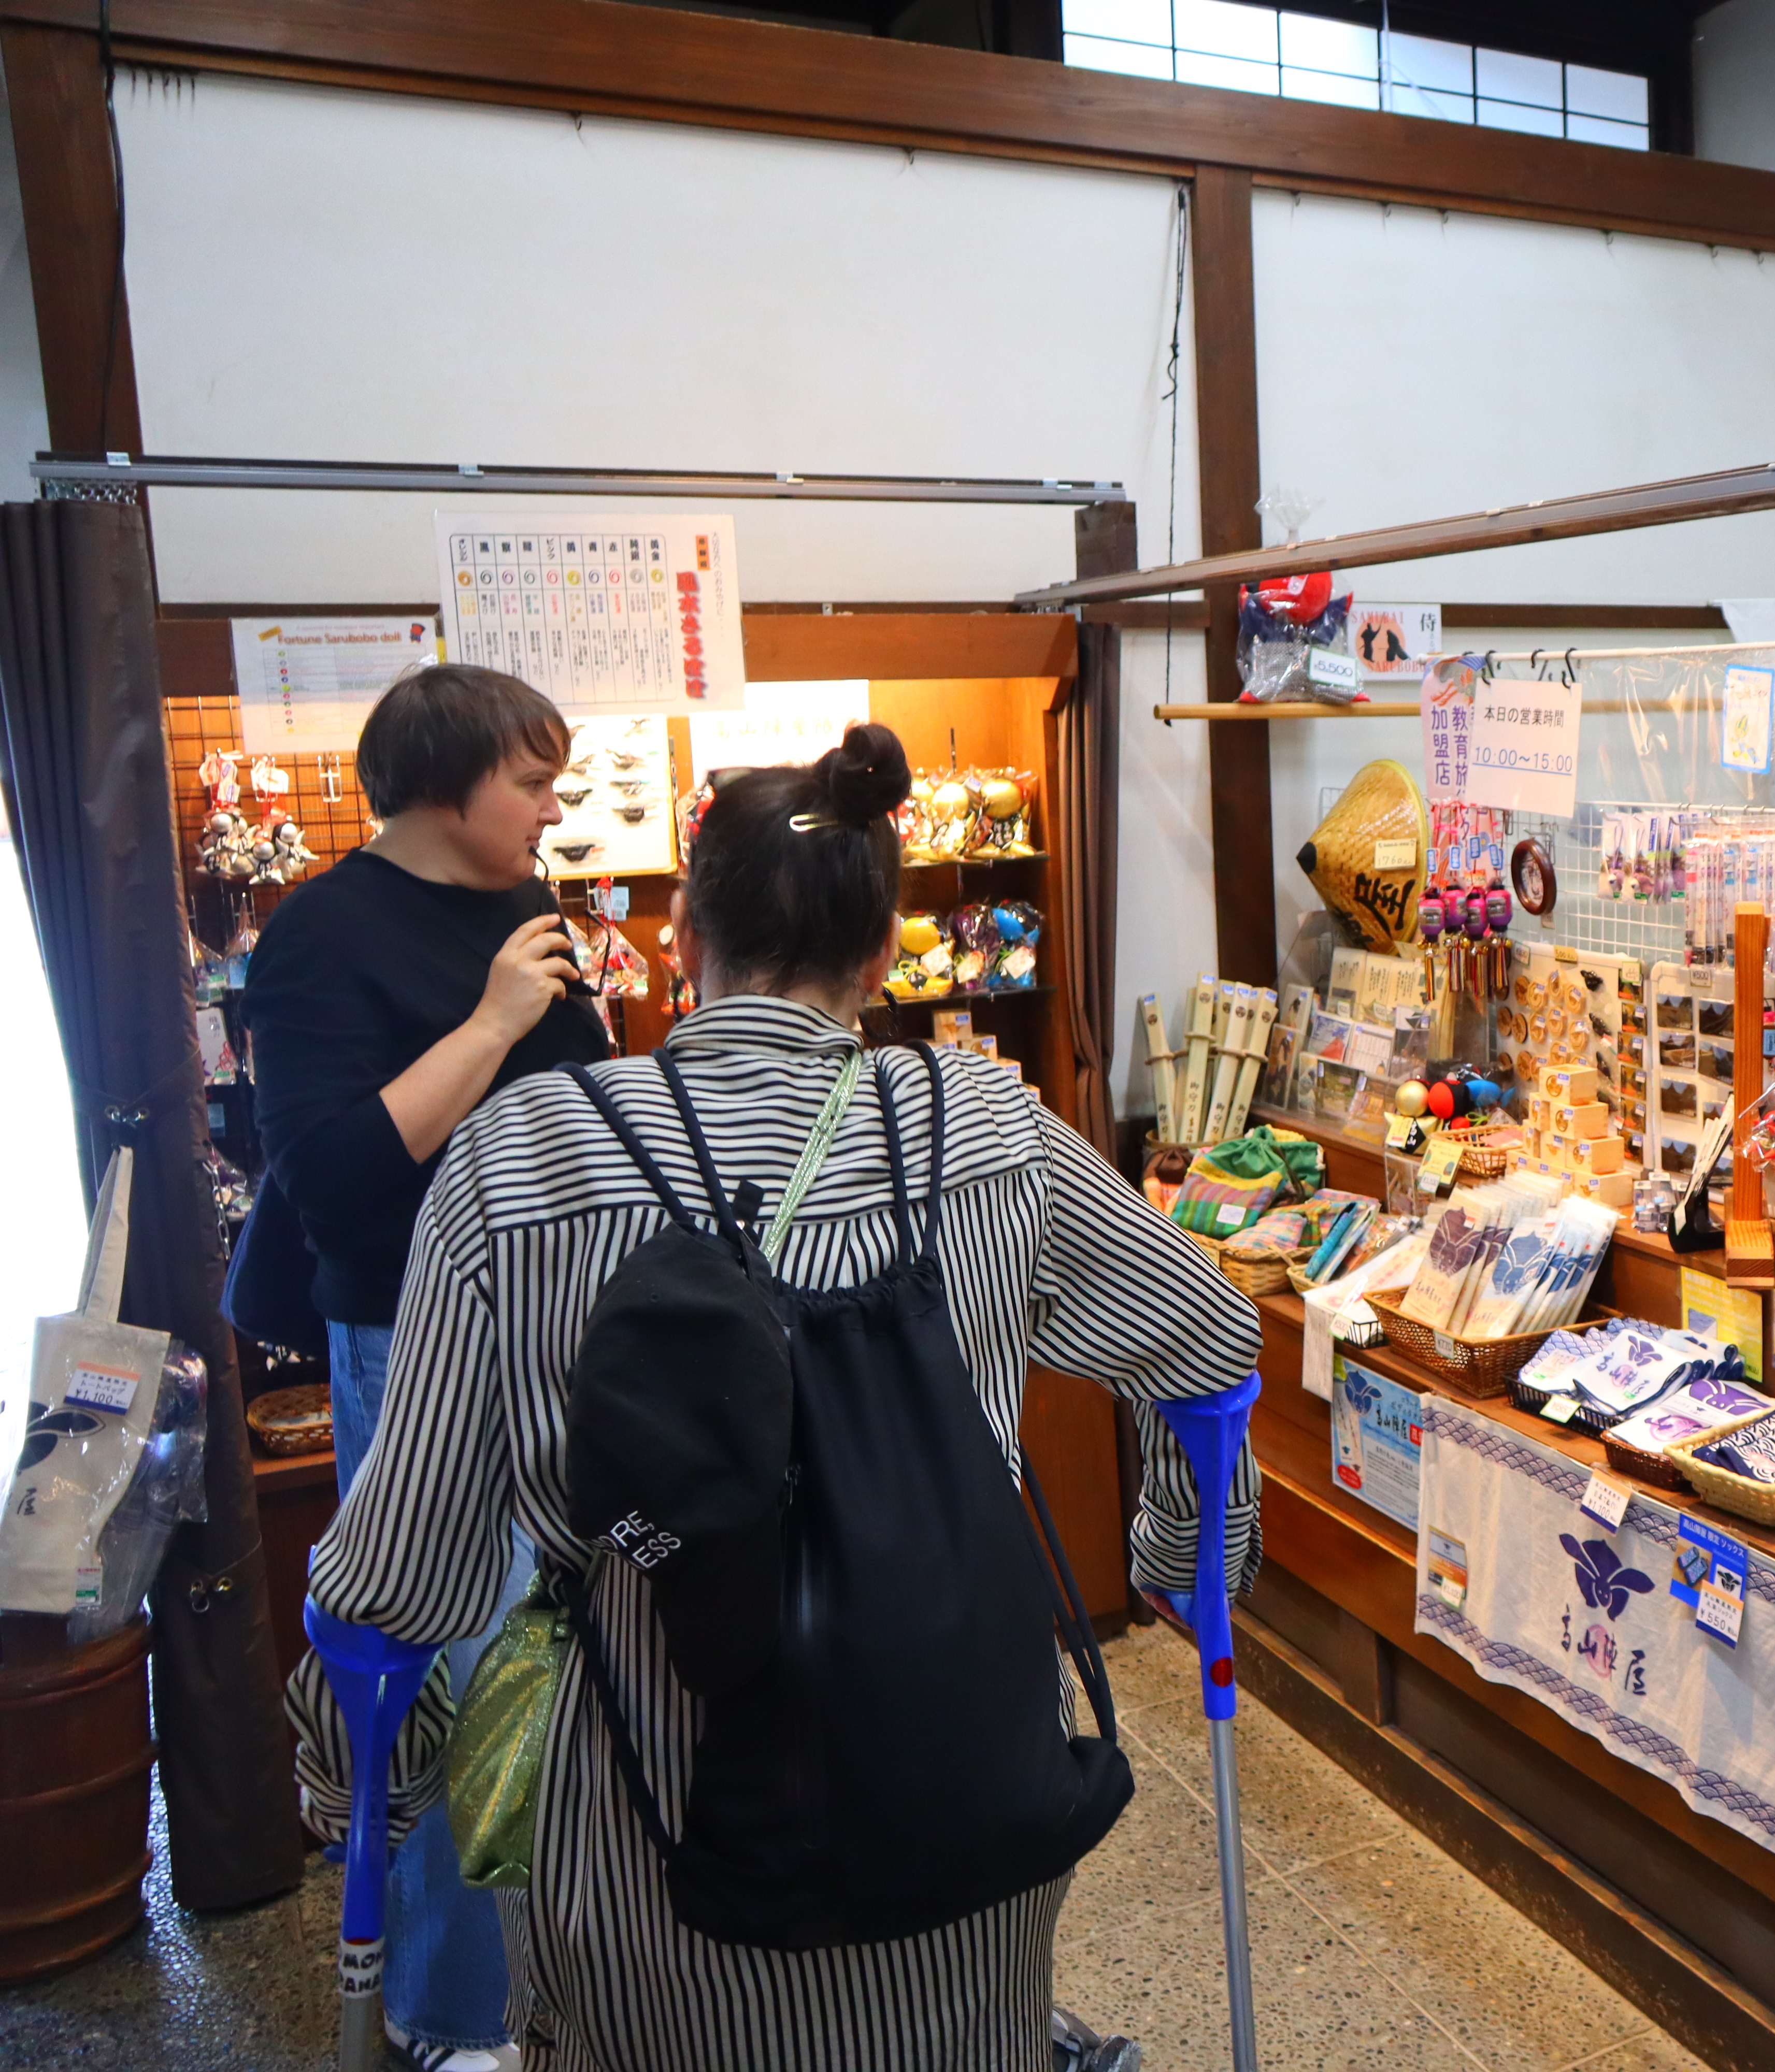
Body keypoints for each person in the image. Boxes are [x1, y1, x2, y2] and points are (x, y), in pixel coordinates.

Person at [285, 723, 1265, 2071]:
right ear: (880, 954)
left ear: (684, 933)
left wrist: (360, 1795)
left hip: (663, 1847)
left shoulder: (523, 1160)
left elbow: (401, 1577)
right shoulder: (982, 1121)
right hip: (969, 1810)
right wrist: (1181, 1561)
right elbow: (1208, 1341)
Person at [243, 664, 607, 2071]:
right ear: (446, 789)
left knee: (567, 1657)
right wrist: (496, 1022)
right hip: (417, 1337)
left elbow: (572, 1102)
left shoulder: (521, 909)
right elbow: (331, 1176)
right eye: (530, 781)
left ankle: (556, 1973)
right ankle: (454, 2015)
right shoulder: (318, 936)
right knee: (457, 1671)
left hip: (566, 1326)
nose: (551, 804)